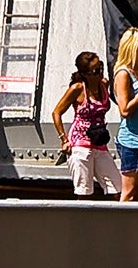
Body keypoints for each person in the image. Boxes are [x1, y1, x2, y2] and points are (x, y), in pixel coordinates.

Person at [52, 51, 122, 199]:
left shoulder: (104, 84)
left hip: (99, 142)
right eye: (96, 70)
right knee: (84, 192)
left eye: (101, 66)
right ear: (86, 73)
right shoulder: (77, 89)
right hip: (80, 144)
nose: (101, 72)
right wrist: (63, 139)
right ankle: (82, 220)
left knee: (116, 187)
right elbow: (56, 112)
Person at [108, 27, 138, 201]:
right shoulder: (123, 74)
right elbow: (125, 109)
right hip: (131, 141)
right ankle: (120, 226)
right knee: (128, 192)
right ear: (134, 46)